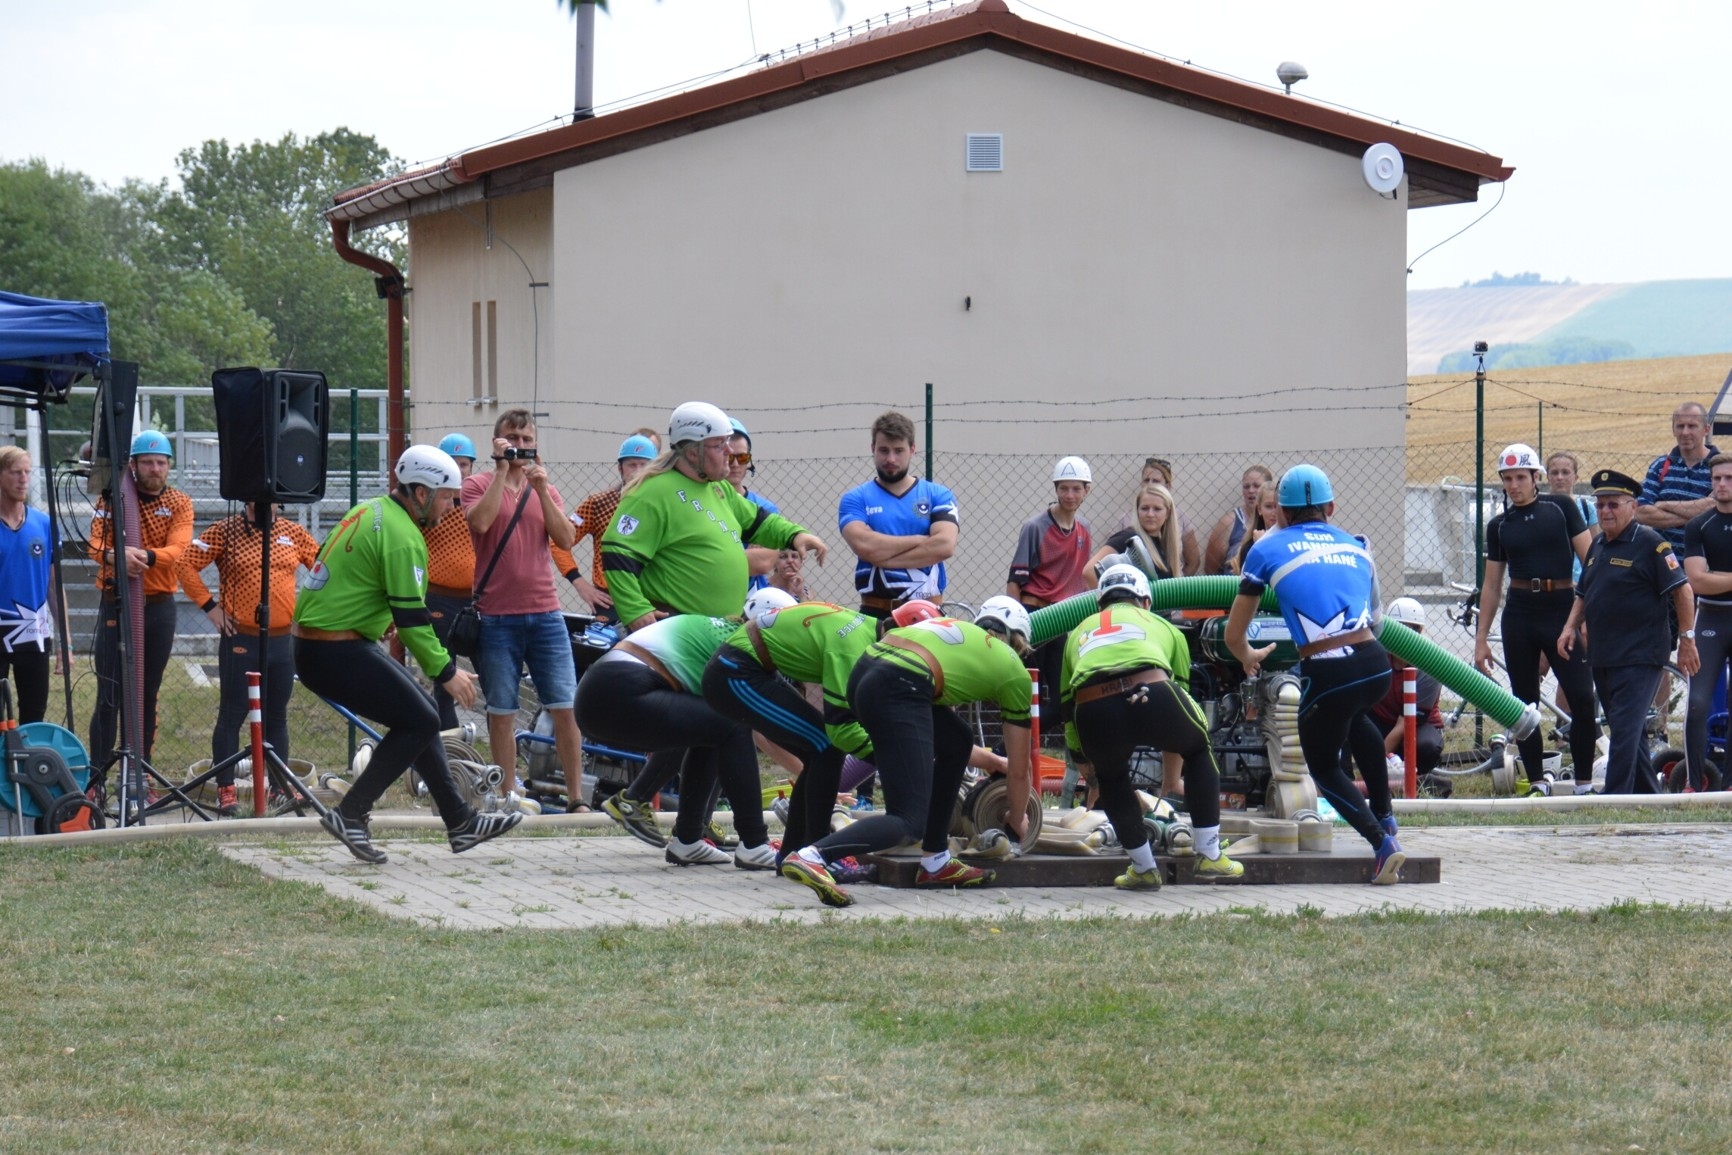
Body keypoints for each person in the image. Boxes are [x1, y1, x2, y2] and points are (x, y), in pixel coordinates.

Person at [599, 401, 827, 838]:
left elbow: (759, 521)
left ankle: (690, 827)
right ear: (692, 450)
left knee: (714, 722)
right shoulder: (654, 493)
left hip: (714, 628)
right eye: (721, 447)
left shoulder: (719, 491)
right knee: (724, 720)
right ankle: (662, 810)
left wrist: (795, 534)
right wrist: (638, 614)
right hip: (677, 629)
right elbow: (617, 555)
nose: (731, 457)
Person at [293, 445, 520, 864]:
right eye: (447, 497)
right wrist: (446, 671)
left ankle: (460, 821)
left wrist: (375, 617)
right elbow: (413, 620)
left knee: (422, 716)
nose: (452, 508)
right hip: (334, 649)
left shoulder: (372, 510)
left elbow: (358, 582)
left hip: (324, 644)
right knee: (421, 719)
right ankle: (351, 813)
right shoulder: (403, 537)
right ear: (420, 493)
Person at [778, 596, 1035, 906]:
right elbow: (1019, 769)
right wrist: (1017, 818)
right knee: (909, 821)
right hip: (899, 683)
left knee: (957, 739)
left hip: (864, 671)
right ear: (1019, 643)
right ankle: (812, 856)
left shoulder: (959, 632)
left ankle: (936, 860)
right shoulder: (1015, 673)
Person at [1226, 464, 1406, 885]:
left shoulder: (1265, 550)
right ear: (1331, 508)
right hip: (1374, 664)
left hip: (1327, 669)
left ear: (1280, 512)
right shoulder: (1358, 546)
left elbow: (1235, 634)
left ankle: (1381, 843)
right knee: (1355, 718)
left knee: (1323, 766)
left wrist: (1247, 655)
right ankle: (1385, 813)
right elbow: (1377, 620)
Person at [1062, 564, 1243, 889]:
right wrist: (1172, 777)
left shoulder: (1077, 632)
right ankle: (1209, 854)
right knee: (1198, 747)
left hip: (1093, 707)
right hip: (1151, 690)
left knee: (1112, 778)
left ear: (1099, 604)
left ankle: (1143, 868)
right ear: (1146, 601)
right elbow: (1181, 699)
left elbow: (1067, 705)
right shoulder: (1164, 626)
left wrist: (1084, 761)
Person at [573, 608, 780, 868]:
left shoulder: (725, 632)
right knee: (732, 725)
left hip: (601, 692)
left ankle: (688, 839)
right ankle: (754, 843)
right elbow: (765, 730)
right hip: (616, 690)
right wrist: (810, 769)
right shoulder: (739, 648)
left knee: (712, 725)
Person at [461, 409, 584, 812]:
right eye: (512, 438)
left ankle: (577, 798)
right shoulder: (477, 484)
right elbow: (480, 524)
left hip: (546, 613)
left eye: (527, 439)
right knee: (502, 709)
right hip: (497, 617)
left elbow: (566, 538)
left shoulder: (544, 487)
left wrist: (542, 488)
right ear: (496, 442)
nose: (520, 445)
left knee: (565, 706)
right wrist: (501, 471)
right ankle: (507, 795)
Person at [177, 501, 321, 815]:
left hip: (282, 639)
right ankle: (225, 790)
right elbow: (184, 564)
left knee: (276, 716)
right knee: (232, 714)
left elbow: (326, 570)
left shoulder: (294, 533)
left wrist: (313, 613)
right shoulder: (224, 530)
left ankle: (278, 788)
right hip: (240, 638)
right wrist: (210, 608)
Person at [1560, 470, 1698, 794]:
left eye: (1613, 504)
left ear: (1633, 507)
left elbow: (1683, 590)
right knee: (1630, 733)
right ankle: (1650, 796)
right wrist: (1569, 627)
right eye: (1600, 505)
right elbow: (1584, 593)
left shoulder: (1651, 544)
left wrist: (1687, 640)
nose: (1605, 511)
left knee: (1623, 730)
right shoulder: (1597, 544)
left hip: (1640, 656)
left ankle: (1613, 800)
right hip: (1603, 655)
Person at [1472, 443, 1598, 796]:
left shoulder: (1561, 508)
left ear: (1535, 477)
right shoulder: (1499, 526)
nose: (1514, 485)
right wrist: (1481, 639)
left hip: (1562, 610)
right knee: (1524, 704)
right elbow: (1492, 586)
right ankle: (1538, 781)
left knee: (1581, 697)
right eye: (1507, 479)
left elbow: (1591, 563)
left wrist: (1584, 616)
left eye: (1520, 478)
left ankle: (1584, 783)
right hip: (1520, 616)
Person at [88, 430, 194, 771]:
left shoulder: (179, 502)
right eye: (147, 462)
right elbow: (94, 544)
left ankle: (140, 771)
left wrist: (144, 557)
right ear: (132, 465)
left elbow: (178, 548)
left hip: (158, 606)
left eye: (160, 462)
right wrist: (114, 556)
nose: (154, 469)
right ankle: (97, 774)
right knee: (109, 693)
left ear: (169, 466)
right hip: (116, 602)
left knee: (147, 692)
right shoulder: (112, 499)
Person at [1007, 455, 1095, 751]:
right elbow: (1015, 581)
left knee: (1061, 702)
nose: (1069, 495)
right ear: (1056, 489)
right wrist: (1015, 628)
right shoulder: (1035, 527)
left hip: (1063, 620)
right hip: (1034, 617)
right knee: (1027, 694)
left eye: (1076, 488)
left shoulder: (1084, 530)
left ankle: (1005, 752)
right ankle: (1009, 757)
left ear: (1087, 490)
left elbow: (1081, 581)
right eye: (1064, 488)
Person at [838, 410, 959, 618]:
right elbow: (865, 547)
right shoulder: (856, 498)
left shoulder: (939, 495)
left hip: (928, 613)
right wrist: (921, 540)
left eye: (899, 451)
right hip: (876, 613)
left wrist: (883, 558)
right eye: (884, 450)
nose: (891, 459)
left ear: (912, 449)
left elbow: (944, 546)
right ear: (873, 448)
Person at [552, 433, 657, 623]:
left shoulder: (664, 505)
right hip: (609, 599)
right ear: (620, 468)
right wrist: (579, 582)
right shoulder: (598, 504)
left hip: (651, 597)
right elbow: (559, 542)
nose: (638, 471)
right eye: (632, 465)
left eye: (644, 465)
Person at [0, 445, 64, 724]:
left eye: (27, 472)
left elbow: (54, 587)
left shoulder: (44, 524)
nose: (23, 479)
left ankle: (26, 756)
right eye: (16, 472)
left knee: (34, 719)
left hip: (33, 633)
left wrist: (65, 644)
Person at [1681, 453, 1732, 792]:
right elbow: (1697, 581)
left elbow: (1708, 577)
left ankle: (1730, 784)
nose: (1722, 485)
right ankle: (1693, 782)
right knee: (1697, 703)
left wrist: (1718, 577)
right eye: (1716, 479)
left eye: (1729, 478)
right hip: (1711, 616)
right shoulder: (1699, 526)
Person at [421, 432, 479, 731]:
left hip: (478, 601)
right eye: (452, 464)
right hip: (438, 598)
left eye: (464, 464)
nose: (459, 470)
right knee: (443, 675)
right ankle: (447, 742)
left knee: (492, 675)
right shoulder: (428, 505)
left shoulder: (480, 502)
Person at [1360, 598, 1445, 780]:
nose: (1403, 637)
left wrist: (1373, 769)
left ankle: (1416, 777)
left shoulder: (1429, 665)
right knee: (1348, 718)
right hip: (1381, 721)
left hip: (1416, 726)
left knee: (1426, 746)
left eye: (1411, 630)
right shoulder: (1377, 654)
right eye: (1399, 629)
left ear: (1420, 631)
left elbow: (1404, 725)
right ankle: (1344, 777)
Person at [1636, 402, 1719, 548]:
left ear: (1706, 430)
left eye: (1692, 426)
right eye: (1680, 426)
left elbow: (1717, 507)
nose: (1685, 432)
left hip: (1707, 558)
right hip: (1665, 559)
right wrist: (1699, 513)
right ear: (1673, 430)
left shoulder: (1721, 468)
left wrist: (1664, 505)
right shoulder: (1660, 466)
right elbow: (1640, 512)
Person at [726, 419, 781, 592]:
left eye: (742, 457)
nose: (735, 464)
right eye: (729, 457)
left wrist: (713, 557)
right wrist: (747, 553)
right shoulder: (700, 501)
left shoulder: (766, 508)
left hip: (752, 599)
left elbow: (763, 563)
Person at [1119, 458, 1201, 575]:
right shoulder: (1126, 519)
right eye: (1146, 480)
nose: (1150, 484)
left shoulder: (1181, 519)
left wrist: (1179, 582)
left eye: (1156, 481)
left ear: (1168, 486)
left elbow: (1194, 561)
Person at [1089, 482, 1182, 581]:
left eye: (1157, 509)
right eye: (1144, 508)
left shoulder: (1165, 545)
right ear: (1137, 510)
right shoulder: (1129, 538)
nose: (1150, 514)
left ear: (1168, 513)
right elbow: (1090, 571)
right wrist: (1111, 590)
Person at [1204, 463, 1274, 575]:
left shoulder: (1280, 523)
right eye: (1246, 486)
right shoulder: (1230, 521)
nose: (1251, 490)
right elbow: (1211, 567)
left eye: (1256, 486)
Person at [1230, 483, 1283, 575]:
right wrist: (1260, 544)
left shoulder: (1292, 539)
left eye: (1277, 507)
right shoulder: (1249, 545)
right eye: (1269, 506)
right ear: (1259, 509)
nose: (1274, 512)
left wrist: (1263, 542)